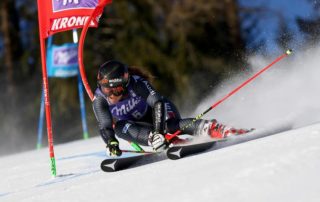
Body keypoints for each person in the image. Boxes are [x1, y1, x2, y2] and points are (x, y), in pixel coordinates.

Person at [93, 60, 251, 156]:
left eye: (114, 90)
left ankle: (214, 128)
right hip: (141, 126)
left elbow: (158, 103)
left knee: (171, 125)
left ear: (123, 85)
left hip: (159, 112)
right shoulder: (100, 98)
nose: (110, 94)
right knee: (119, 127)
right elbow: (105, 126)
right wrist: (111, 142)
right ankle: (166, 141)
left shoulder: (137, 83)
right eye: (105, 89)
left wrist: (159, 132)